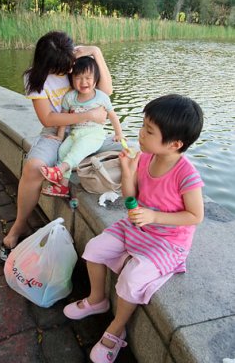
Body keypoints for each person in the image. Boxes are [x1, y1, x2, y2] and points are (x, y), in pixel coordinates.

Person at [63, 94, 204, 363]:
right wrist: (128, 172)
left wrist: (154, 216)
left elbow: (195, 216)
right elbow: (132, 202)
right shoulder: (145, 157)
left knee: (131, 279)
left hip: (168, 241)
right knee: (94, 249)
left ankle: (117, 327)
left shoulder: (186, 174)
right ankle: (97, 299)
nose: (140, 133)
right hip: (138, 227)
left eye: (149, 131)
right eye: (143, 125)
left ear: (174, 144)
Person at [0, 30, 120, 263]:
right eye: (61, 69)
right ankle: (19, 227)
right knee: (33, 167)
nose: (67, 72)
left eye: (69, 67)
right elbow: (48, 119)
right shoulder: (34, 78)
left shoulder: (75, 57)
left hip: (90, 131)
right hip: (56, 133)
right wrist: (91, 115)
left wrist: (96, 52)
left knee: (129, 154)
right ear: (46, 64)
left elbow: (107, 91)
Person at [39, 56, 123, 197]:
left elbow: (113, 116)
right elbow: (64, 119)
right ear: (72, 79)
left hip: (94, 134)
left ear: (95, 79)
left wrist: (118, 134)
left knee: (78, 149)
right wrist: (59, 137)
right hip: (75, 133)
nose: (83, 82)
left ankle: (59, 170)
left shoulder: (101, 97)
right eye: (78, 78)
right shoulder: (70, 97)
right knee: (62, 151)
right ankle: (63, 186)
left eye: (88, 78)